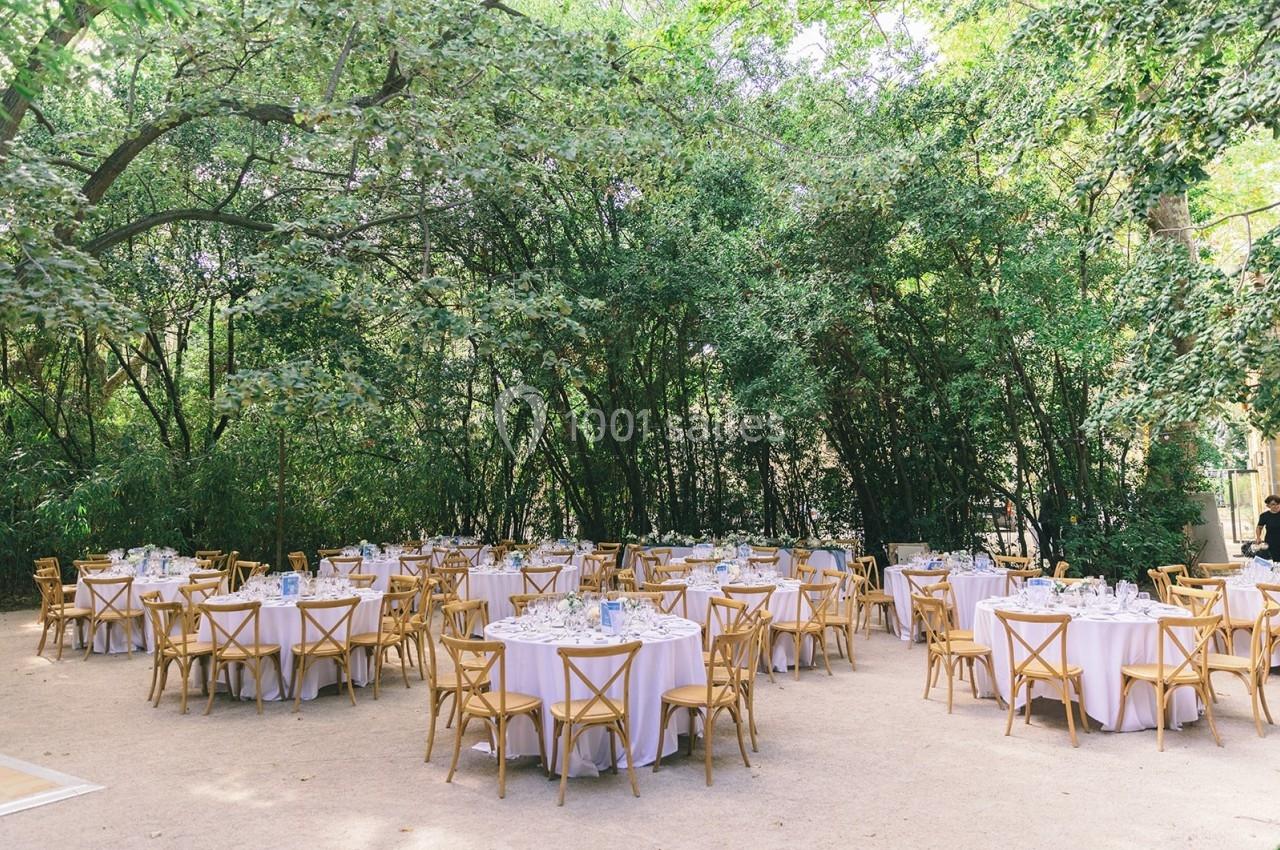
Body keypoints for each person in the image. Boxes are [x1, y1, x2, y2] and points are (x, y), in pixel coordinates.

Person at [1256, 495, 1280, 561]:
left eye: (1278, 503)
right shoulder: (1264, 516)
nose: (1276, 506)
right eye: (1273, 504)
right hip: (1271, 542)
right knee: (1273, 561)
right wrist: (1258, 537)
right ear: (1268, 506)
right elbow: (1259, 527)